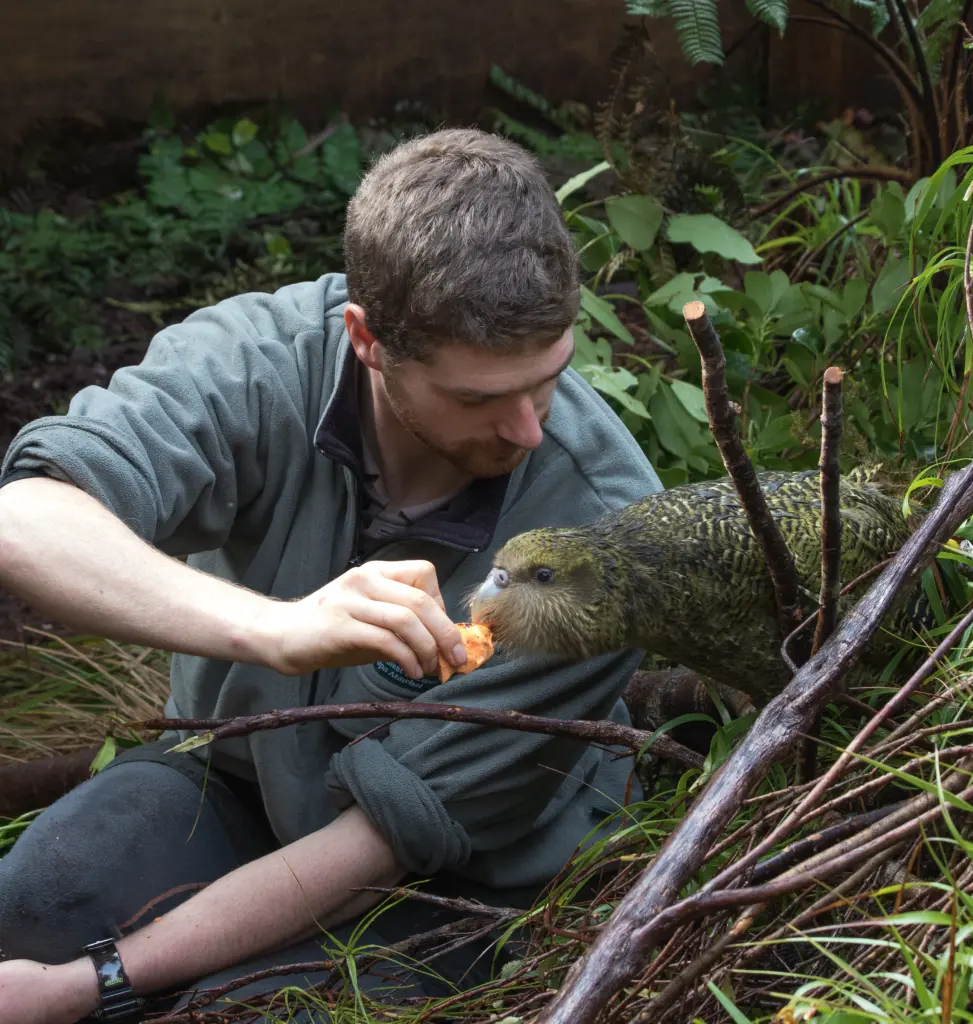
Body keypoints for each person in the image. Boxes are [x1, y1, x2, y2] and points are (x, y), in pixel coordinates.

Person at [0, 127, 662, 1023]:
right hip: (235, 784)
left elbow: (375, 850)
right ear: (367, 339)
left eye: (546, 378)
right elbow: (26, 517)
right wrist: (273, 631)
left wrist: (93, 986)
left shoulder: (601, 535)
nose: (526, 430)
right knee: (31, 908)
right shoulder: (263, 362)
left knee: (238, 1012)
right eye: (477, 399)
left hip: (455, 881)